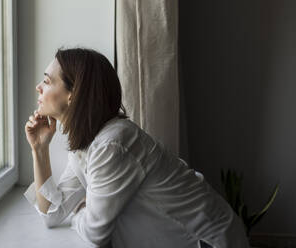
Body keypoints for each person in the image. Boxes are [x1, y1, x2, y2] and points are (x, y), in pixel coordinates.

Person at [23, 47, 250, 248]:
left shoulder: (113, 145)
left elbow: (95, 234)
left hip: (207, 242)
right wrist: (39, 150)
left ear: (73, 95)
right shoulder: (88, 144)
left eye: (47, 81)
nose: (38, 87)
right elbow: (52, 213)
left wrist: (80, 209)